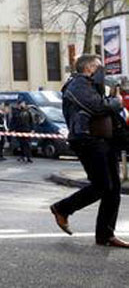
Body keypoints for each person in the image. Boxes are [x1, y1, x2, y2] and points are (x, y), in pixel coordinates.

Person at [50, 54, 129, 248]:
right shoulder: (77, 84)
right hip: (87, 140)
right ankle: (62, 208)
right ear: (89, 68)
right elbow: (97, 107)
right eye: (99, 67)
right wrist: (116, 102)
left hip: (103, 140)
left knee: (114, 188)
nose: (102, 71)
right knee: (102, 185)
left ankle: (105, 235)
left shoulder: (92, 86)